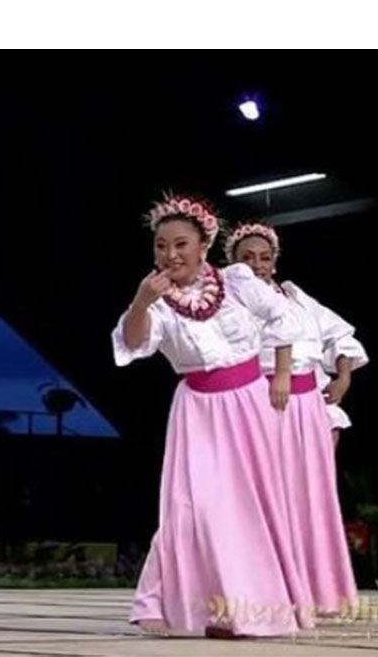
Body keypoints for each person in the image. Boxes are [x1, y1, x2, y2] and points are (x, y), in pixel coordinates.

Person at [113, 194, 311, 637]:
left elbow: (284, 319)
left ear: (203, 245)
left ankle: (242, 610)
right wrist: (141, 302)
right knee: (194, 507)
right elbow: (134, 343)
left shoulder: (237, 281)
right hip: (199, 411)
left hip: (250, 404)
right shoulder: (158, 304)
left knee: (250, 506)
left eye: (180, 244)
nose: (170, 254)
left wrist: (281, 374)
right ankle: (193, 605)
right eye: (161, 246)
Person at [227, 221, 365, 617]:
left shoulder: (295, 296)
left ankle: (314, 587)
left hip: (309, 402)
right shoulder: (230, 300)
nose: (257, 264)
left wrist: (343, 377)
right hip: (261, 399)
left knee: (310, 497)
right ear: (233, 262)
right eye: (247, 258)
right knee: (267, 497)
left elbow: (340, 337)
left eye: (264, 257)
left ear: (275, 260)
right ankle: (265, 588)